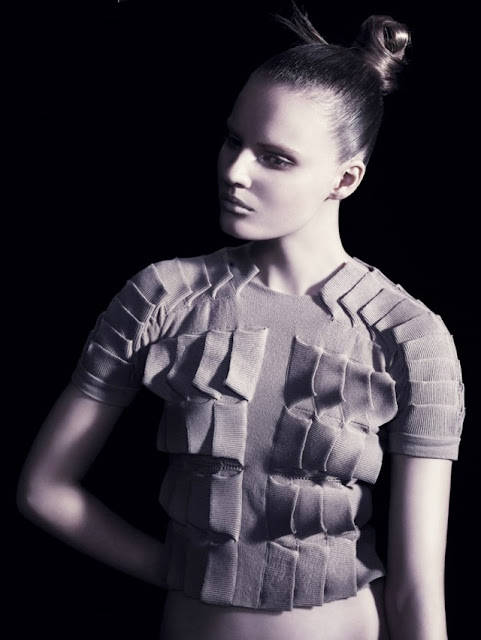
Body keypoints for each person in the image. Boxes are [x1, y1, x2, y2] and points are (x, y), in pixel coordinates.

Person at [17, 4, 465, 639]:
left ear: (345, 179)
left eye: (275, 158)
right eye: (234, 140)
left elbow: (417, 594)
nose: (234, 172)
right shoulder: (162, 298)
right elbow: (43, 489)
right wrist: (188, 570)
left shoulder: (409, 336)